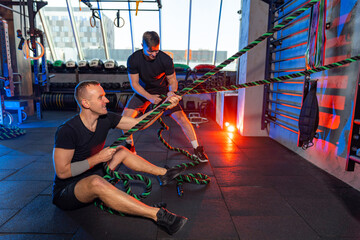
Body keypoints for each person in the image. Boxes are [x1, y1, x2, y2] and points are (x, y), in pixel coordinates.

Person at [52, 80, 187, 235]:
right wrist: (98, 158)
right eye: (101, 97)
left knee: (121, 151)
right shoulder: (67, 131)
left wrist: (162, 107)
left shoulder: (105, 118)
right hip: (69, 190)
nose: (107, 100)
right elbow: (62, 172)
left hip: (94, 172)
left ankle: (165, 174)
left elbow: (138, 124)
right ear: (86, 103)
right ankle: (157, 215)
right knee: (96, 182)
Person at [123, 31, 209, 162]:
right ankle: (130, 147)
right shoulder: (133, 59)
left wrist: (171, 92)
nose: (153, 54)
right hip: (143, 92)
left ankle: (197, 149)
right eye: (150, 51)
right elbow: (134, 84)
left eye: (156, 51)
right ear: (142, 45)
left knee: (181, 118)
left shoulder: (165, 59)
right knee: (125, 120)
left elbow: (172, 80)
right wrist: (150, 97)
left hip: (163, 92)